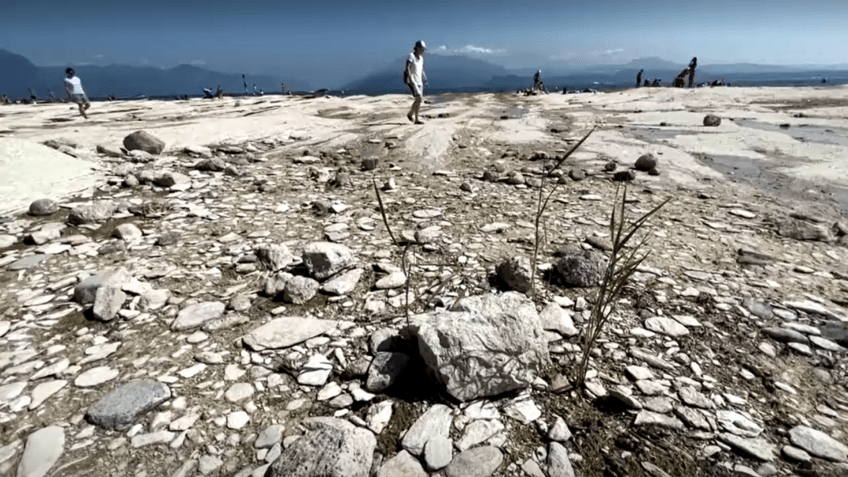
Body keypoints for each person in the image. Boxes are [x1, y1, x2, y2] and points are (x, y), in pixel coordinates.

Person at [405, 40, 428, 124]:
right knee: (419, 98)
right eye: (422, 49)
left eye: (423, 49)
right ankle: (413, 116)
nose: (423, 51)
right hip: (413, 81)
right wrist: (411, 79)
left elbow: (421, 70)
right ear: (417, 48)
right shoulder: (411, 56)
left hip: (419, 81)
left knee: (418, 101)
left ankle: (413, 116)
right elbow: (408, 68)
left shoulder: (421, 59)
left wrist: (425, 79)